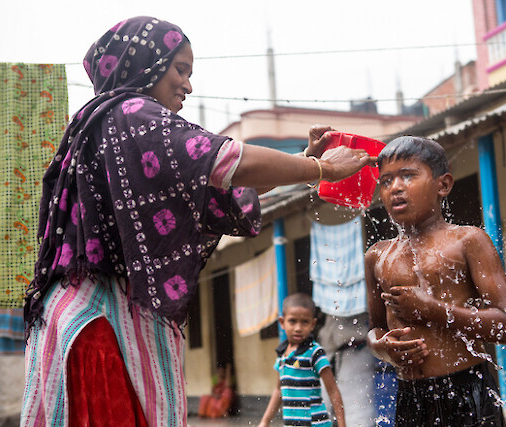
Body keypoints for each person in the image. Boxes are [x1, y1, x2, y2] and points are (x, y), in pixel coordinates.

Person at [21, 16, 375, 427]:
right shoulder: (133, 113)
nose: (187, 85)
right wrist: (317, 167)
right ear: (146, 64)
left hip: (86, 320)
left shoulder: (108, 127)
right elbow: (225, 161)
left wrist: (298, 159)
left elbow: (221, 191)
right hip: (100, 332)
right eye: (180, 69)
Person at [364, 136, 506, 427]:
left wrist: (435, 311)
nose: (395, 188)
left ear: (443, 185)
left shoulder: (467, 240)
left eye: (408, 176)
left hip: (467, 390)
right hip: (410, 396)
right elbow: (375, 328)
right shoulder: (376, 256)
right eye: (386, 181)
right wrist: (383, 348)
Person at [258, 293, 346, 427]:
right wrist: (265, 421)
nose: (298, 328)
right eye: (292, 321)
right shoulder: (282, 355)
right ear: (282, 322)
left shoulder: (315, 353)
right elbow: (279, 390)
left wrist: (342, 425)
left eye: (305, 322)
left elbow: (333, 390)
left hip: (315, 424)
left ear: (313, 324)